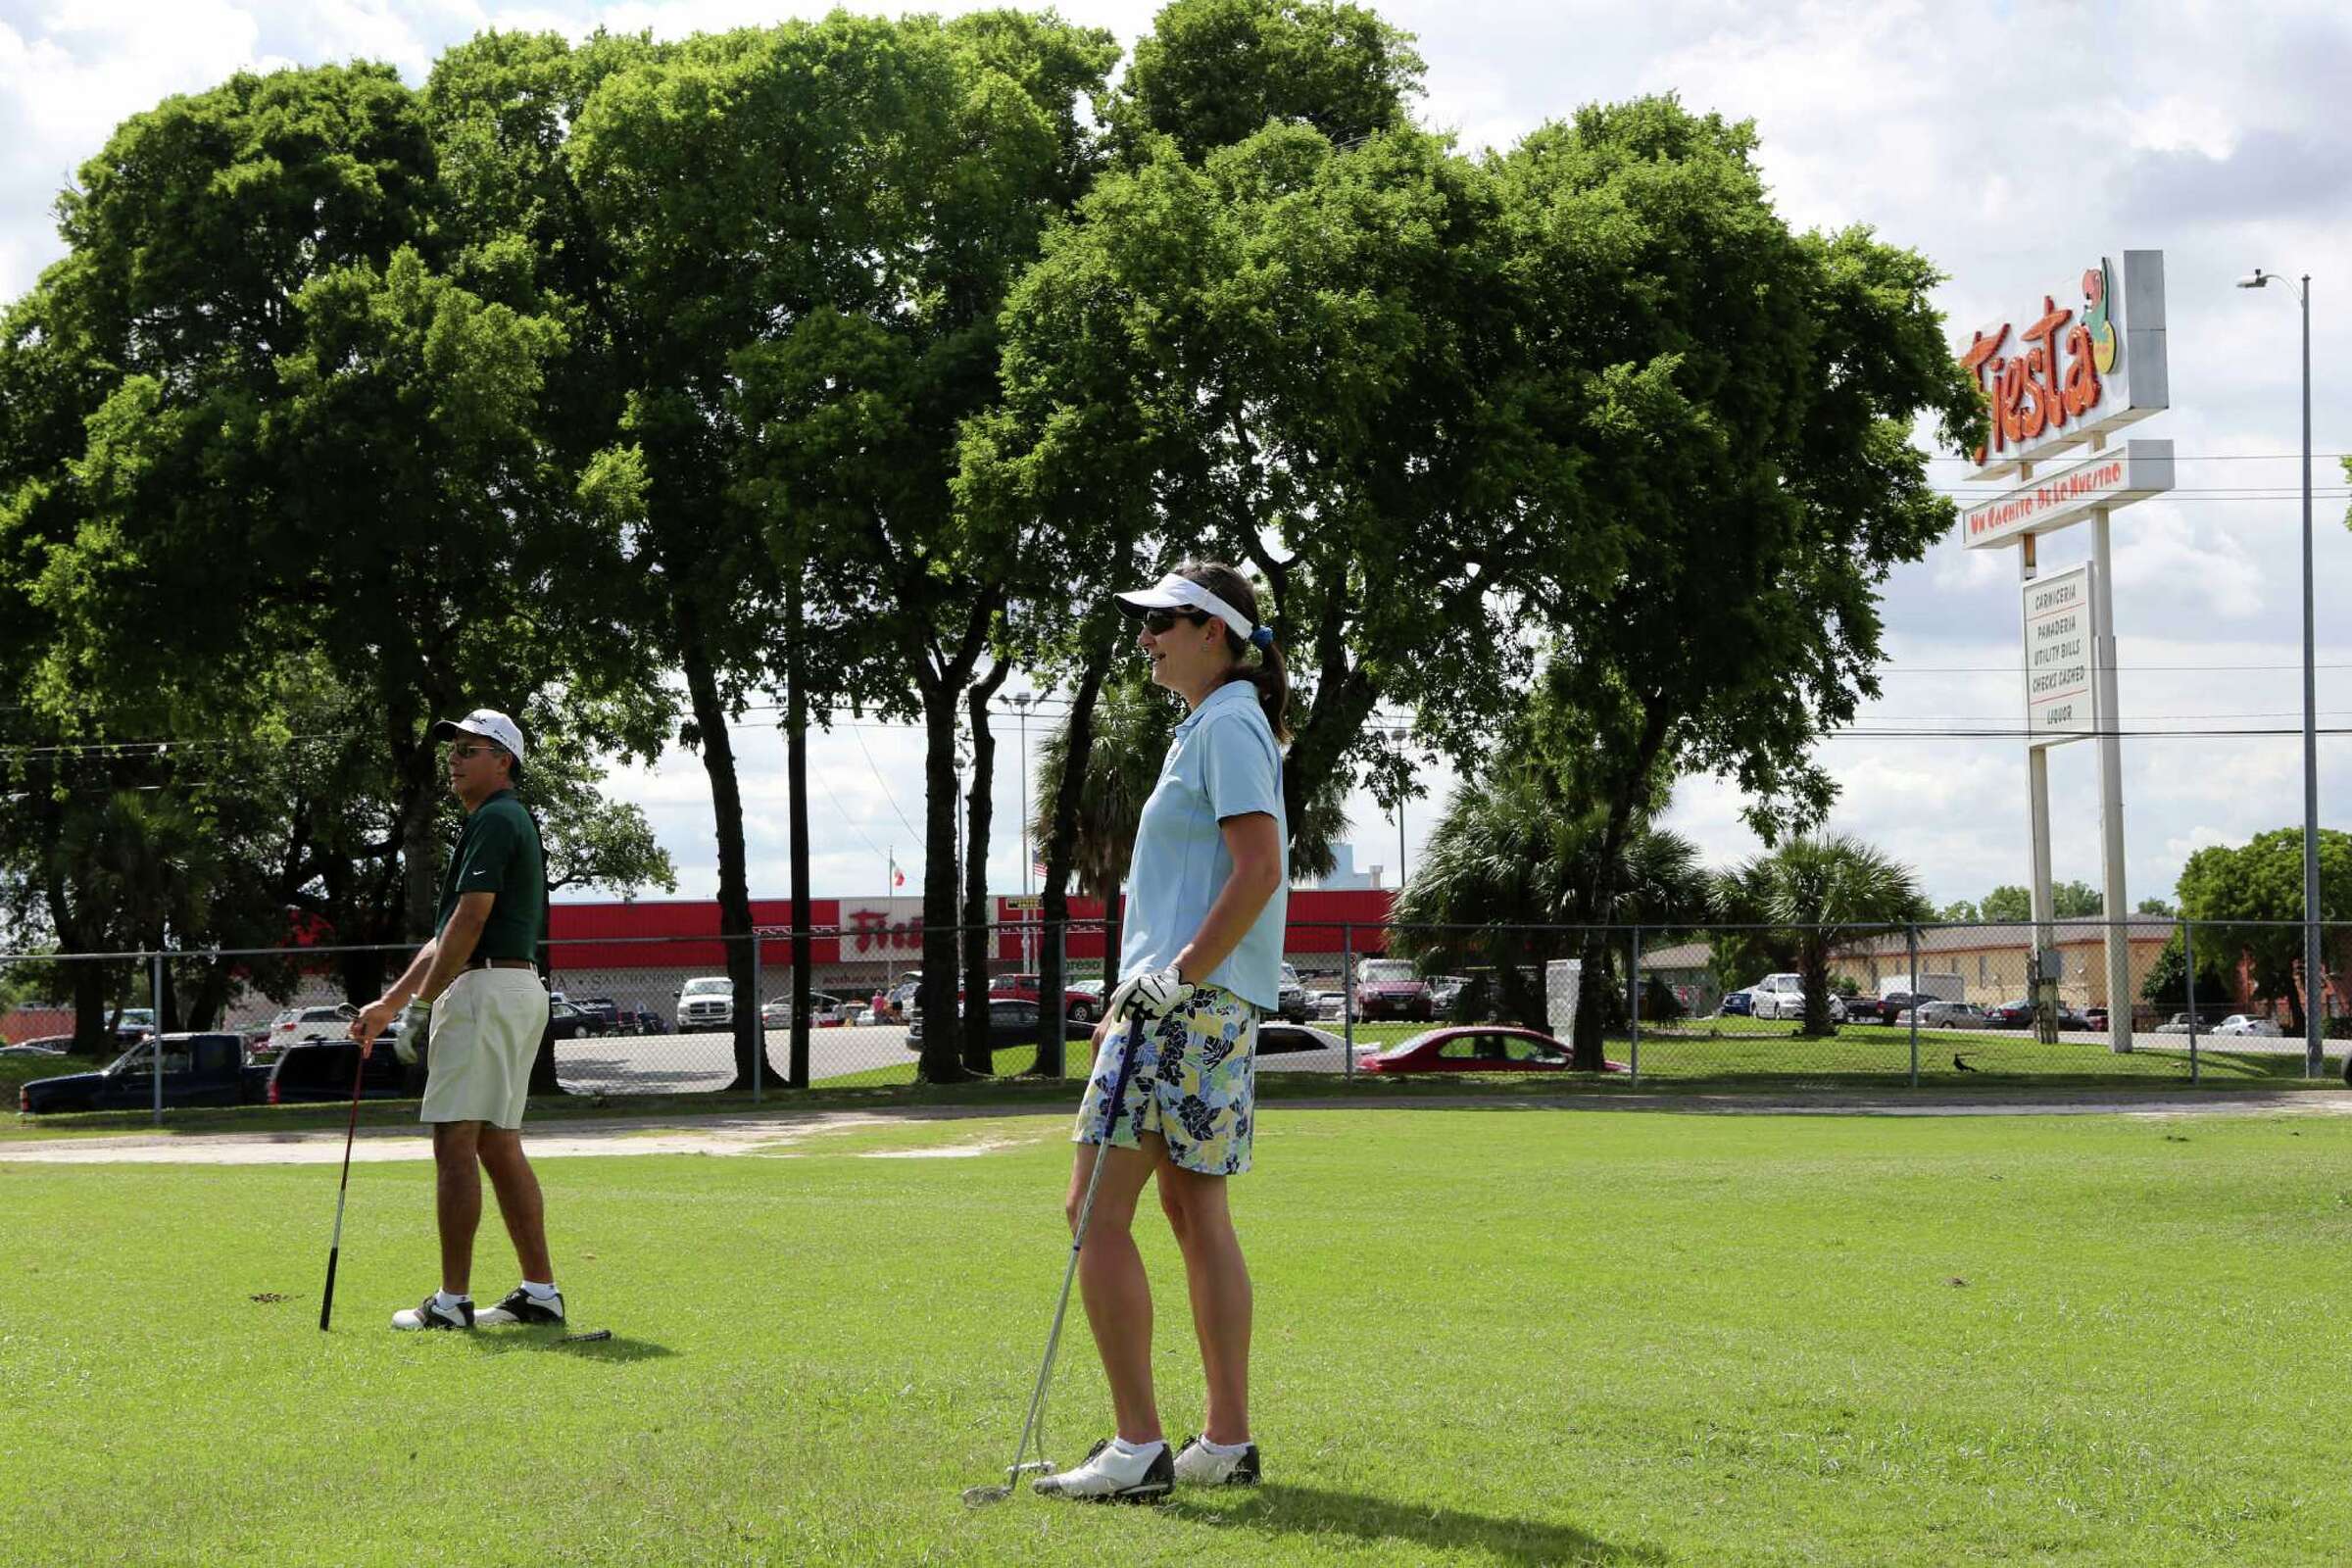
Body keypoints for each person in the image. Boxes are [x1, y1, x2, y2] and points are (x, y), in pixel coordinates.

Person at [1033, 563, 1288, 1503]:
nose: (1143, 638)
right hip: (1197, 1003)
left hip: (1180, 1004)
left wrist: (1171, 979)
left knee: (1093, 1210)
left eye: (1160, 623)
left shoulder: (1224, 725)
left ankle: (1138, 1446)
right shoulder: (1226, 723)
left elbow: (1257, 868)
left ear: (1212, 631)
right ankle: (1224, 1442)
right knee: (1193, 1214)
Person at [350, 710, 562, 1332]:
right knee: (497, 1143)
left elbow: (470, 921)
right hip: (511, 987)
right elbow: (443, 938)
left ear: (504, 761)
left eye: (472, 749)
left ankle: (451, 1303)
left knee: (455, 1140)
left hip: (485, 990)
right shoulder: (498, 819)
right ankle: (540, 1294)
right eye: (454, 749)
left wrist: (422, 1007)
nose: (455, 758)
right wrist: (391, 1004)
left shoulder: (495, 818)